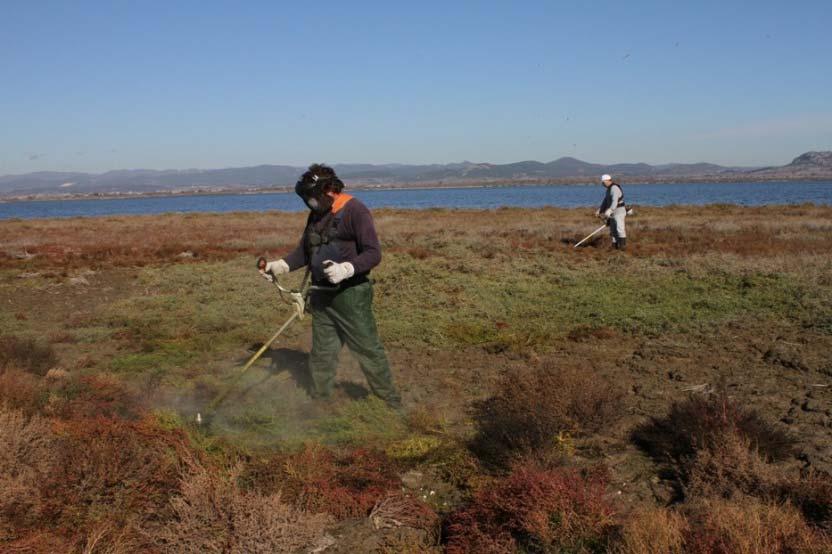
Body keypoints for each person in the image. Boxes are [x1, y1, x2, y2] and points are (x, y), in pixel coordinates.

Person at [259, 164, 401, 409]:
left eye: (311, 197)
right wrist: (280, 265)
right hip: (321, 296)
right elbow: (305, 252)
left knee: (367, 350)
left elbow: (373, 253)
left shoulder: (356, 211)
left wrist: (346, 269)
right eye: (306, 198)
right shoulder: (317, 215)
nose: (309, 203)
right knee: (322, 353)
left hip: (350, 296)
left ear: (328, 189)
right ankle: (320, 401)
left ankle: (390, 403)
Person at [595, 174, 627, 250]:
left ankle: (622, 247)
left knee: (620, 229)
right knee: (613, 230)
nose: (602, 184)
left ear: (607, 181)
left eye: (603, 182)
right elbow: (605, 201)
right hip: (612, 213)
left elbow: (615, 201)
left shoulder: (614, 188)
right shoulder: (608, 189)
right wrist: (600, 210)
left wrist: (610, 210)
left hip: (619, 211)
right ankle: (614, 246)